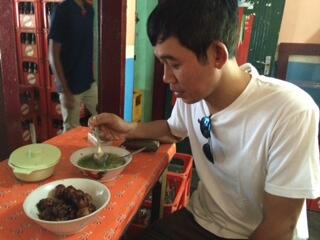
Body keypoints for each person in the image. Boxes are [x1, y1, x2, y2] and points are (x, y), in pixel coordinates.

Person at [89, 0, 320, 239]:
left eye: (175, 64)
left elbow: (280, 225)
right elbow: (172, 129)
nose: (167, 78)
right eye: (163, 64)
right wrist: (127, 129)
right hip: (202, 219)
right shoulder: (194, 95)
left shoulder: (290, 111)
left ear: (217, 54)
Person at [49, 0, 97, 132]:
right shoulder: (62, 10)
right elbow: (53, 54)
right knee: (71, 133)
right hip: (70, 87)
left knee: (105, 120)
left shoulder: (90, 10)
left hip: (89, 83)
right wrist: (65, 90)